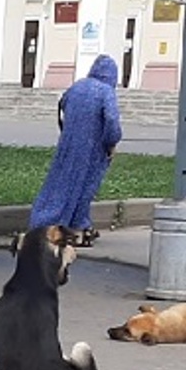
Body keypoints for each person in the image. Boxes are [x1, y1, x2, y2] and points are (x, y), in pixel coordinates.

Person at [29, 53, 123, 247]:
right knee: (84, 187)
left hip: (68, 143)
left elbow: (63, 103)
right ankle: (72, 226)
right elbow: (112, 120)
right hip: (92, 149)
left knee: (59, 182)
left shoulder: (78, 86)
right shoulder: (106, 92)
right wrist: (111, 141)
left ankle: (43, 219)